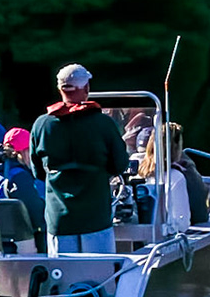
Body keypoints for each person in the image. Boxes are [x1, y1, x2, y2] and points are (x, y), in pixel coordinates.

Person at [28, 63, 127, 255]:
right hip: (96, 218)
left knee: (62, 281)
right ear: (86, 88)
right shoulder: (104, 124)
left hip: (59, 220)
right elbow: (120, 165)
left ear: (60, 89)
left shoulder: (41, 125)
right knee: (100, 278)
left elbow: (37, 172)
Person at [137, 127, 192, 235]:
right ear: (175, 148)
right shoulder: (176, 177)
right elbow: (182, 224)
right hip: (164, 241)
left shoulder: (136, 173)